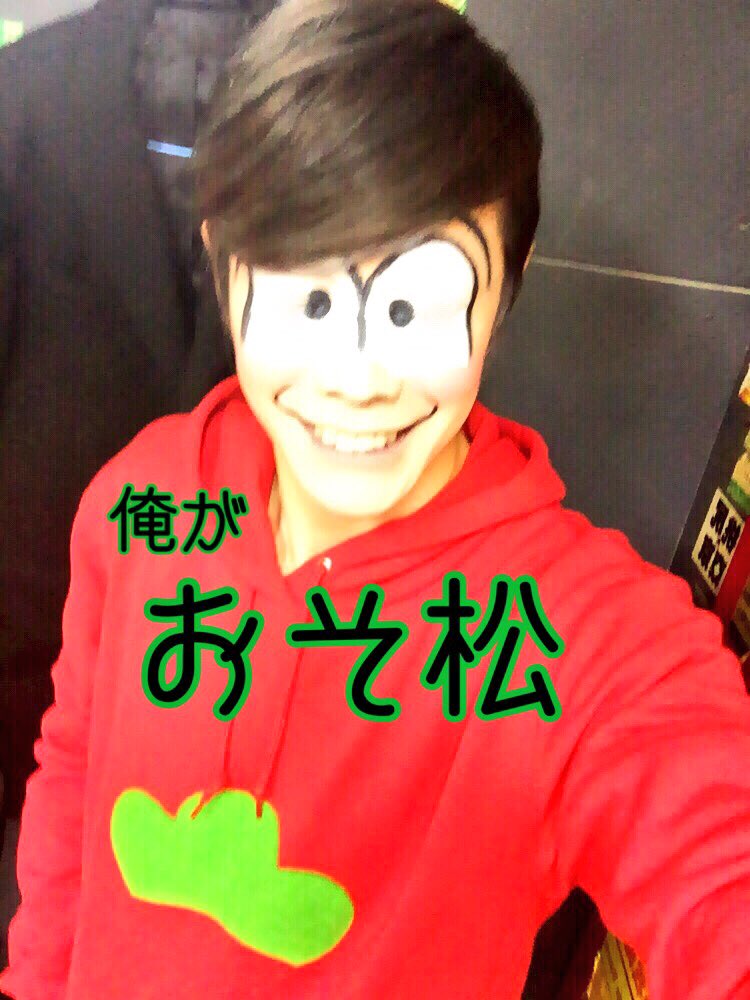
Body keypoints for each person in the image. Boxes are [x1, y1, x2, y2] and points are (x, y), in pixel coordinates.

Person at [2, 0, 749, 997]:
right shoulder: (142, 498)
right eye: (307, 296)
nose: (356, 379)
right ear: (224, 261)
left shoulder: (577, 634)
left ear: (508, 283)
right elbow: (74, 775)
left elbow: (715, 860)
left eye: (414, 307)